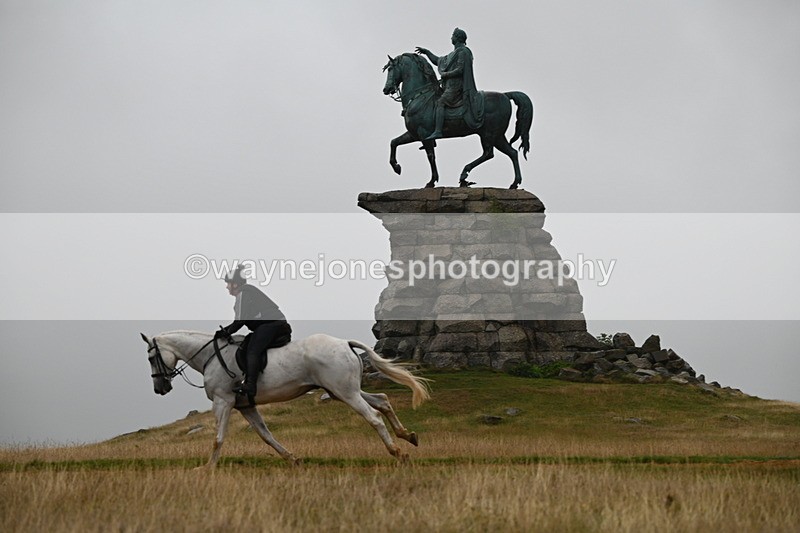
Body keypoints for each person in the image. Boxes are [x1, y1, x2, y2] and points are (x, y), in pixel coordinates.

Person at [215, 265, 290, 405]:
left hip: (271, 325)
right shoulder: (247, 292)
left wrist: (225, 332)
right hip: (273, 324)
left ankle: (250, 386)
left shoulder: (243, 293)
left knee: (252, 350)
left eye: (228, 283)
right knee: (248, 344)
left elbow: (239, 321)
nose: (227, 287)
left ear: (235, 284)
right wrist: (226, 331)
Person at [415, 27, 484, 140]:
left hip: (457, 87)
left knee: (440, 102)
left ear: (457, 38)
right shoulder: (453, 54)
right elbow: (438, 61)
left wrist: (446, 75)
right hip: (449, 86)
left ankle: (438, 131)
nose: (451, 37)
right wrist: (427, 52)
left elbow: (460, 69)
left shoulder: (463, 51)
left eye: (453, 35)